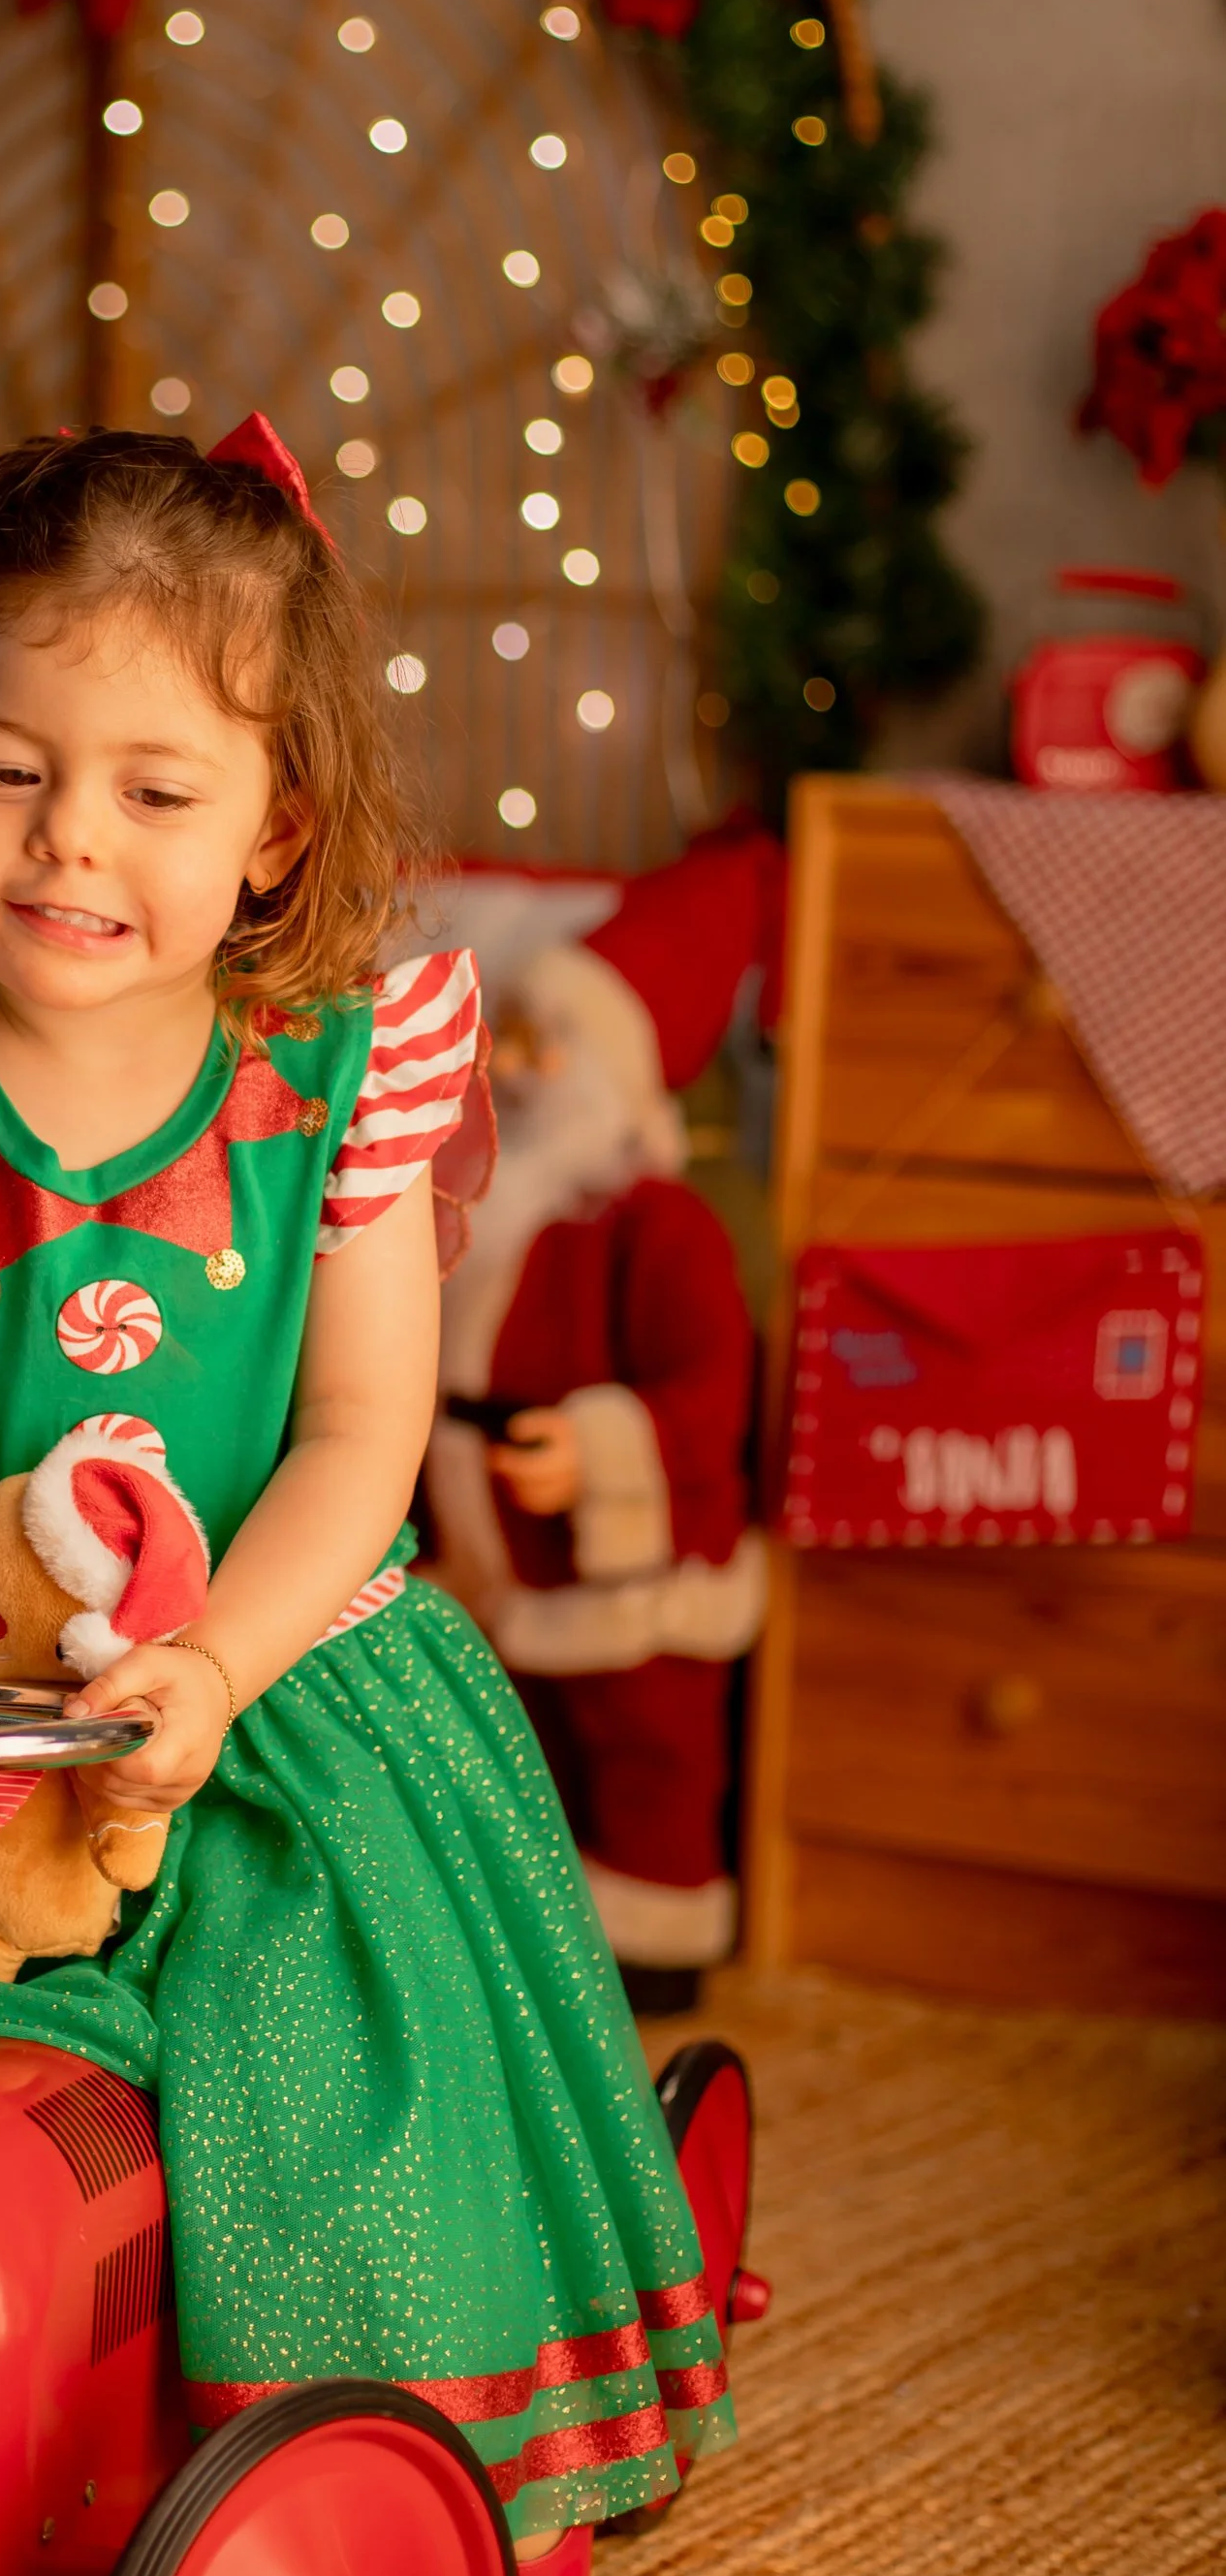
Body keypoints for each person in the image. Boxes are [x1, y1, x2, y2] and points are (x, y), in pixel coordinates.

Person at [0, 422, 735, 2560]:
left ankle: (337, 2499)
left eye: (153, 789)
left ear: (275, 826)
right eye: (7, 769)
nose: (65, 845)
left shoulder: (335, 1086)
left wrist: (213, 1660)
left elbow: (351, 1437)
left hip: (267, 1693)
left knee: (306, 2100)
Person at [423, 839, 774, 2012]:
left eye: (545, 1045)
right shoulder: (491, 1218)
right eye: (505, 1042)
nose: (517, 1071)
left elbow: (705, 1389)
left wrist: (597, 1449)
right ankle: (545, 1937)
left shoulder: (659, 1229)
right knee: (537, 1761)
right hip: (506, 1567)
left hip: (625, 1569)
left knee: (645, 1755)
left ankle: (655, 1939)